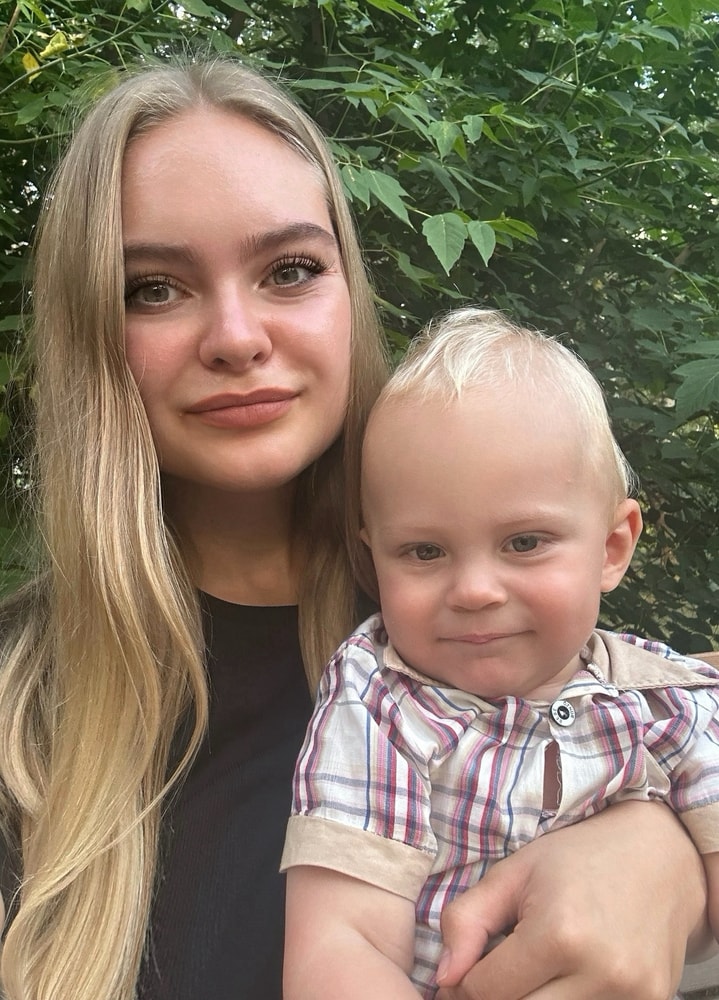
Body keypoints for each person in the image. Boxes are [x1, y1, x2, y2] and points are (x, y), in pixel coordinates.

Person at [0, 60, 710, 1000]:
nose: (236, 337)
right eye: (154, 289)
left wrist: (664, 861)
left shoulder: (489, 627)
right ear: (88, 328)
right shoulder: (19, 709)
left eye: (289, 270)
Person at [282, 308, 719, 1000]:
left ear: (612, 548)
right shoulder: (380, 702)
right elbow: (341, 944)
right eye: (424, 551)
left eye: (524, 543)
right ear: (373, 559)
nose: (475, 591)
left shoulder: (673, 704)